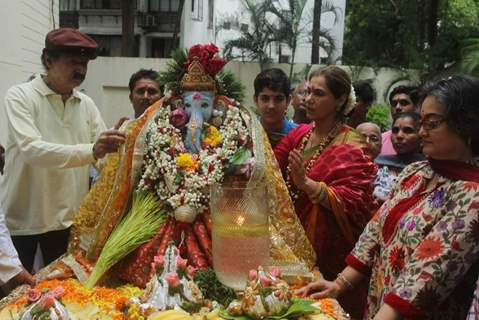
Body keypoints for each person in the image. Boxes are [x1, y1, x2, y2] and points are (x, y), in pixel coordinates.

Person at [71, 44, 315, 289]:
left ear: (218, 104)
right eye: (188, 107)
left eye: (204, 107)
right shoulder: (161, 128)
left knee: (225, 285)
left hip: (218, 220)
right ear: (179, 106)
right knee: (145, 282)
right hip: (164, 213)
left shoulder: (233, 127)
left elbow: (246, 178)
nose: (195, 115)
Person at [297, 75, 479, 320]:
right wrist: (338, 284)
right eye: (421, 121)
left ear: (465, 124)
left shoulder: (471, 194)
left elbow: (425, 276)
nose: (422, 131)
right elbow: (374, 232)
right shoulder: (415, 173)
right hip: (379, 308)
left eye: (432, 123)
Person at [0, 28, 126, 273]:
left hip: (68, 223)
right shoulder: (20, 96)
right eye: (72, 62)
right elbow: (32, 150)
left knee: (59, 298)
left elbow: (102, 161)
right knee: (14, 301)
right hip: (24, 221)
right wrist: (93, 150)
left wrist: (123, 145)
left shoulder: (86, 104)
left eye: (84, 64)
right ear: (48, 60)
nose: (80, 70)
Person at [274, 66, 377, 318]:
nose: (308, 99)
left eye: (318, 93)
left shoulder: (352, 145)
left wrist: (308, 184)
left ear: (340, 100)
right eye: (307, 91)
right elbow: (271, 169)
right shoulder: (299, 135)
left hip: (333, 255)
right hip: (292, 247)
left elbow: (357, 203)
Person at [373, 112, 425, 202]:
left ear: (421, 136)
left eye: (408, 130)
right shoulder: (377, 164)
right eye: (395, 130)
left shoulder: (429, 171)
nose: (399, 135)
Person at [253, 68, 297, 148]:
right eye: (265, 98)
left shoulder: (299, 136)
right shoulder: (246, 133)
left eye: (278, 99)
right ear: (256, 100)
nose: (271, 106)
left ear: (288, 101)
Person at [381, 85, 419, 155]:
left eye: (404, 103)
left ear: (416, 107)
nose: (398, 107)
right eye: (394, 104)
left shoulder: (426, 139)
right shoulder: (381, 140)